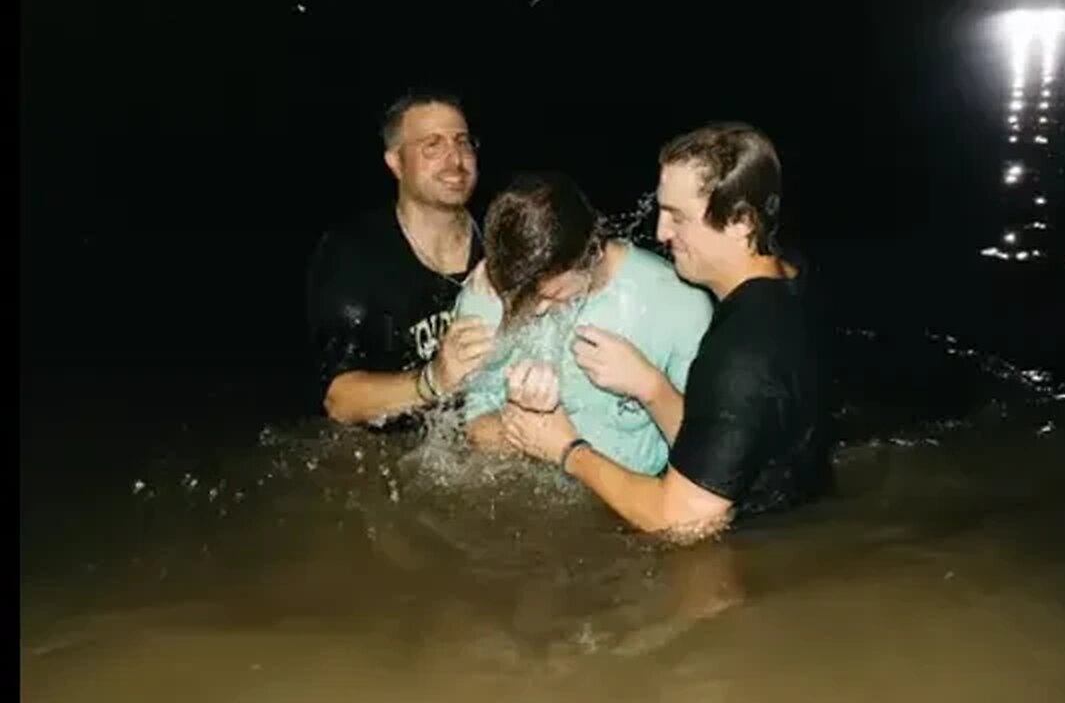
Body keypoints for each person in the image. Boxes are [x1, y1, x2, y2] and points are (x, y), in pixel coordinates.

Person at [501, 122, 834, 540]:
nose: (661, 233)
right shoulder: (793, 277)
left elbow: (684, 520)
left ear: (741, 222)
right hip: (806, 516)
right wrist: (652, 388)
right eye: (662, 211)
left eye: (678, 217)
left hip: (761, 552)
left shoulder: (742, 351)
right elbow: (731, 440)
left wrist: (568, 450)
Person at [454, 171, 714, 476]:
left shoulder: (678, 302)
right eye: (522, 299)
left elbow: (711, 455)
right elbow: (472, 429)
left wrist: (650, 387)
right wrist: (522, 421)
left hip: (635, 505)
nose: (536, 311)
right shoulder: (487, 293)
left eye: (551, 295)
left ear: (593, 251)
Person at [306, 89, 495, 427]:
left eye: (462, 142)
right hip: (393, 456)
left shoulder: (503, 242)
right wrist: (433, 380)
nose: (455, 160)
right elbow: (339, 399)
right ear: (395, 162)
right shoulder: (355, 253)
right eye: (432, 145)